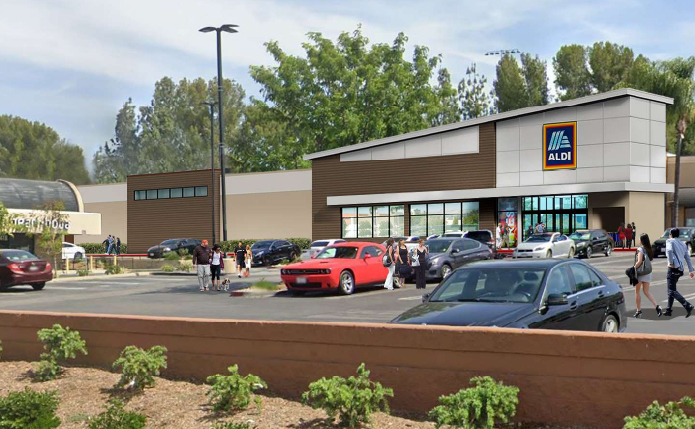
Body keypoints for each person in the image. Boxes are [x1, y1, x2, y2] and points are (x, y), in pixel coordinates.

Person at [664, 228, 695, 318]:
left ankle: (687, 305)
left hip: (672, 269)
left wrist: (671, 262)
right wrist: (691, 270)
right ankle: (668, 310)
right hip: (680, 270)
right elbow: (688, 258)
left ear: (671, 234)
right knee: (671, 289)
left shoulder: (670, 241)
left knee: (671, 290)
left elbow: (669, 251)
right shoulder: (683, 244)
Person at [633, 234, 661, 318]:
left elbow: (639, 261)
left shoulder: (640, 249)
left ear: (641, 240)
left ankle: (638, 311)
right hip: (648, 272)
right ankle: (657, 307)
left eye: (639, 239)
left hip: (640, 273)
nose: (638, 240)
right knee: (646, 291)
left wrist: (633, 268)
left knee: (637, 292)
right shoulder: (648, 249)